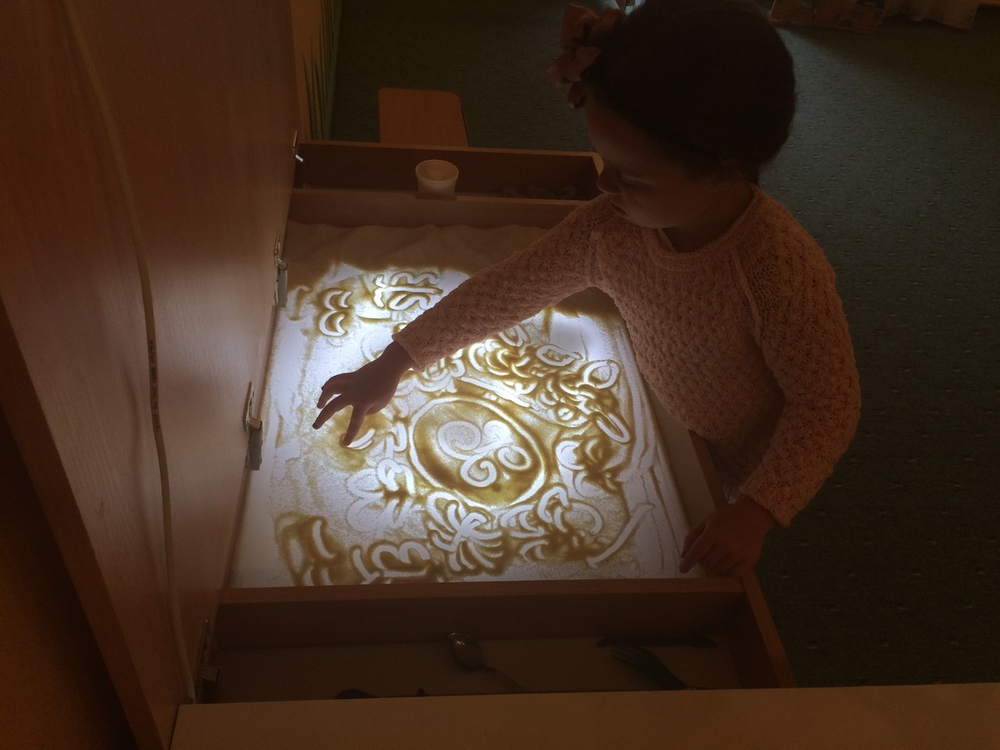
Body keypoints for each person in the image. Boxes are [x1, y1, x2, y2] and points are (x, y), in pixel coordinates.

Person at [313, 0, 861, 578]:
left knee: (724, 542)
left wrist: (757, 510)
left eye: (632, 176)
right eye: (603, 159)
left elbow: (827, 405)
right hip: (681, 416)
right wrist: (396, 360)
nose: (602, 182)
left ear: (725, 170)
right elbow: (507, 291)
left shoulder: (777, 270)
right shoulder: (609, 229)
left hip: (750, 457)